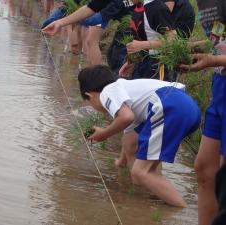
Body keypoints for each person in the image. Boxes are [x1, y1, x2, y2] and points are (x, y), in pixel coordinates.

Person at [78, 65, 201, 207]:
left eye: (90, 103)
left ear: (90, 95)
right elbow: (129, 140)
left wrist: (104, 133)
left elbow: (126, 117)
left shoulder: (107, 92)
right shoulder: (125, 90)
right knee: (134, 146)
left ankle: (181, 209)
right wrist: (121, 162)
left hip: (170, 108)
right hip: (187, 107)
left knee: (140, 172)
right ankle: (151, 193)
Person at [179, 0, 226, 224]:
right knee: (205, 169)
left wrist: (213, 60)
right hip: (220, 86)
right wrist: (192, 48)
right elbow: (219, 37)